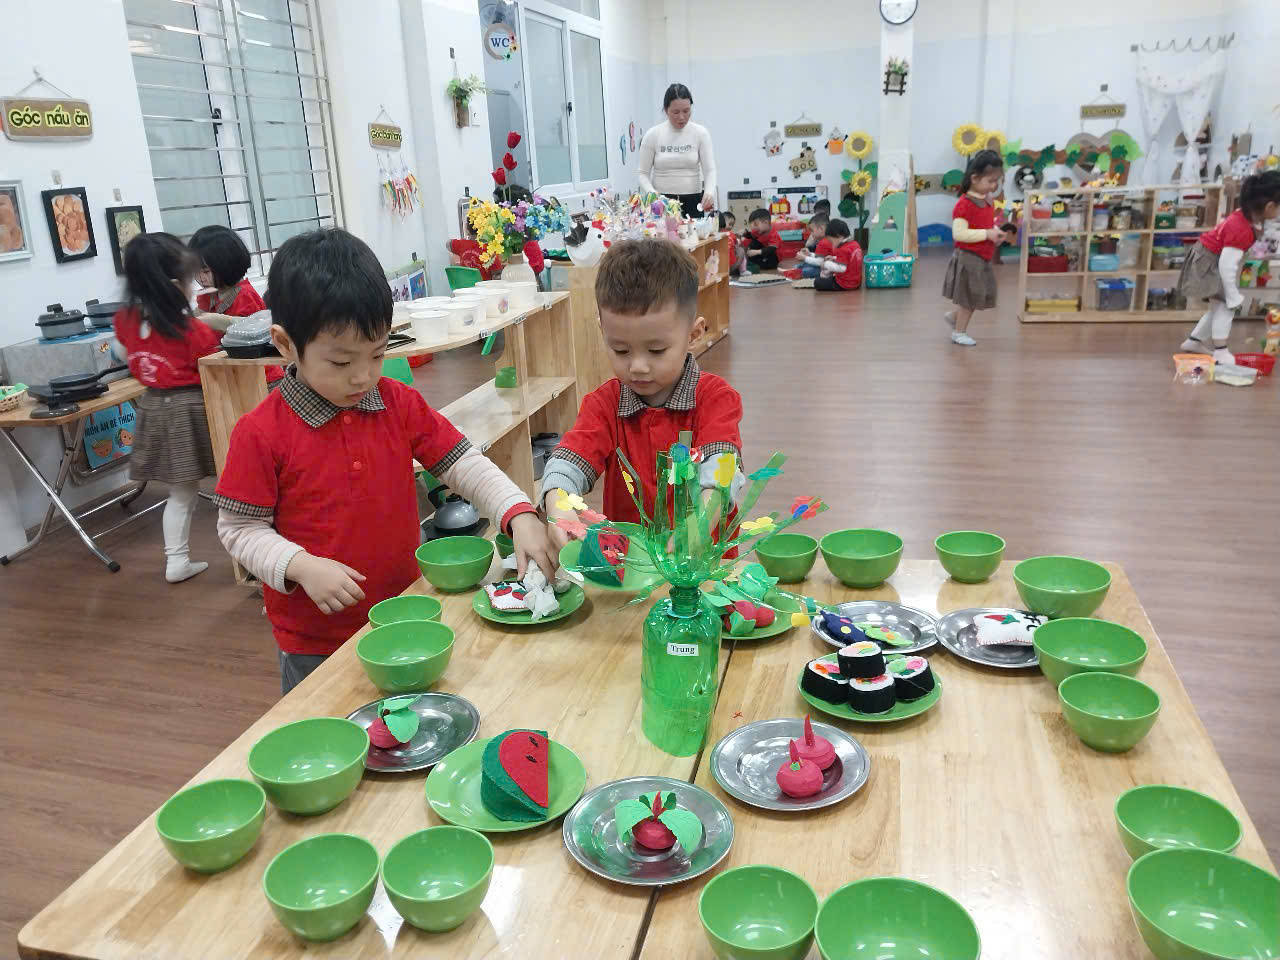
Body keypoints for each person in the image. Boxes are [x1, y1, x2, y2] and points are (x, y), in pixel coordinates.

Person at [212, 228, 557, 694]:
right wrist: (300, 565)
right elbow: (239, 530)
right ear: (285, 344)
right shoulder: (260, 432)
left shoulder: (396, 403)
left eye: (377, 355)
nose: (362, 377)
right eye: (341, 363)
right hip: (317, 641)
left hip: (407, 611)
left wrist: (518, 512)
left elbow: (463, 464)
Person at [540, 238, 743, 547]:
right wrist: (559, 504)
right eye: (620, 350)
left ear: (693, 334)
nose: (637, 366)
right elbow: (568, 463)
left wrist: (696, 528)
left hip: (703, 563)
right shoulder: (604, 405)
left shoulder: (715, 399)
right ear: (603, 331)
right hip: (630, 564)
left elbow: (722, 470)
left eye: (656, 350)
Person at [112, 233, 223, 583]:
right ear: (175, 285)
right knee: (224, 484)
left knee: (182, 491)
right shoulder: (190, 329)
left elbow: (122, 353)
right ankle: (244, 556)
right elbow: (212, 365)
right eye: (190, 280)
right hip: (190, 409)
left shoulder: (124, 319)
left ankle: (177, 561)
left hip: (153, 405)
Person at [1179, 170, 1280, 363]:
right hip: (1208, 262)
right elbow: (1227, 265)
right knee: (1226, 305)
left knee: (1218, 307)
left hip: (1209, 258)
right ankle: (1220, 350)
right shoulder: (1241, 228)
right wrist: (1232, 294)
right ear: (1269, 206)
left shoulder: (1248, 217)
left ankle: (1194, 341)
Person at [188, 224, 283, 384]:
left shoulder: (244, 295)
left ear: (225, 265)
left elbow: (257, 331)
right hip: (229, 372)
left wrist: (217, 321)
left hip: (261, 376)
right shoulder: (208, 295)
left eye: (206, 271)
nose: (200, 278)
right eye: (196, 271)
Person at [943, 150, 1009, 346]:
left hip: (981, 257)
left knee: (976, 295)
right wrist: (987, 234)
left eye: (997, 181)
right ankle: (958, 332)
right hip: (969, 258)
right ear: (974, 178)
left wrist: (995, 232)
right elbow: (959, 234)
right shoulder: (964, 205)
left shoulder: (986, 200)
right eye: (990, 181)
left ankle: (954, 317)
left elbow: (984, 225)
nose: (994, 185)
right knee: (969, 299)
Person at [636, 83, 717, 216]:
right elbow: (642, 173)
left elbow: (710, 170)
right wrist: (651, 193)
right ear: (666, 110)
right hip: (662, 202)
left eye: (686, 111)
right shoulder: (653, 135)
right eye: (676, 112)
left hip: (693, 200)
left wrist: (709, 192)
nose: (681, 117)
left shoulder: (700, 133)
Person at [805, 219, 863, 292]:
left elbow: (842, 268)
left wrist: (826, 264)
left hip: (845, 283)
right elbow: (849, 259)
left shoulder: (842, 249)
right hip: (856, 283)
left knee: (817, 282)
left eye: (831, 241)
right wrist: (834, 258)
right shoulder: (855, 244)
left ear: (838, 236)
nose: (832, 244)